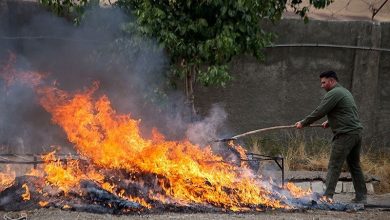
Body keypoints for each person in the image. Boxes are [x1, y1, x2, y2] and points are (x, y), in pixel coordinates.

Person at [295, 70, 367, 204]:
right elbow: (347, 111)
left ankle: (327, 197)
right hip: (356, 133)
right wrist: (330, 122)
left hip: (345, 134)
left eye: (324, 82)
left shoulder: (334, 93)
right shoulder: (344, 92)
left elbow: (320, 111)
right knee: (354, 165)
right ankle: (361, 196)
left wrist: (303, 123)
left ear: (332, 81)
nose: (321, 85)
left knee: (334, 165)